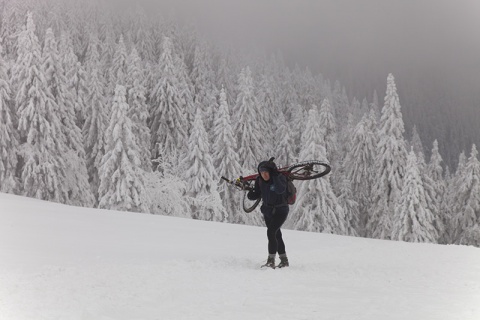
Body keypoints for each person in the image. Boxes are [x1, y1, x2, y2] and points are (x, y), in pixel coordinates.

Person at [247, 159, 290, 268]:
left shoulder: (280, 178)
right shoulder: (259, 180)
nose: (264, 175)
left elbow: (280, 190)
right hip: (267, 210)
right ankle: (284, 260)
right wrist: (250, 192)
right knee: (277, 235)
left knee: (271, 232)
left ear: (271, 172)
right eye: (261, 172)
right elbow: (255, 195)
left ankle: (271, 261)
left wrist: (275, 176)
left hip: (281, 210)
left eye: (266, 172)